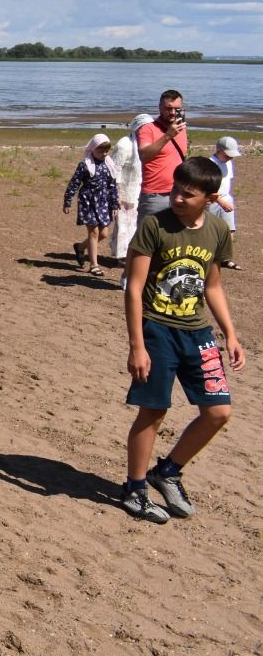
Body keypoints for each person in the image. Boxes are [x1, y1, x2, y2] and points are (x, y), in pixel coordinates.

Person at [120, 156, 244, 523]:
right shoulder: (154, 226)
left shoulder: (218, 230)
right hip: (157, 330)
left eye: (186, 194)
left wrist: (231, 333)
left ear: (209, 197)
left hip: (197, 332)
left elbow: (213, 285)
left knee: (219, 411)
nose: (176, 198)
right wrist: (137, 345)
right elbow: (134, 287)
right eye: (175, 189)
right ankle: (136, 488)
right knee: (154, 410)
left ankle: (168, 471)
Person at [64, 134, 117, 278]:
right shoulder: (85, 165)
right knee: (93, 232)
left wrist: (115, 205)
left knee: (104, 234)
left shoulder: (109, 165)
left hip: (103, 203)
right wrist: (67, 201)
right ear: (93, 149)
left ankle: (80, 247)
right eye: (101, 150)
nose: (104, 154)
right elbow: (74, 183)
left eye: (106, 151)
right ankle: (94, 265)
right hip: (88, 202)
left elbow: (112, 187)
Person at [106, 115, 153, 266]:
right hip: (124, 189)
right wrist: (116, 193)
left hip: (140, 188)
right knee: (124, 224)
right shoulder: (124, 144)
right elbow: (114, 169)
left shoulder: (148, 143)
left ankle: (124, 253)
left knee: (134, 224)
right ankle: (123, 256)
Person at [136, 89, 187, 220]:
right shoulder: (148, 129)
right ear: (159, 107)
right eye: (168, 108)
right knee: (148, 237)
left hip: (178, 193)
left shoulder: (181, 129)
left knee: (175, 237)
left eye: (177, 109)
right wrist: (168, 135)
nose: (172, 113)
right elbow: (144, 155)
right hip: (155, 195)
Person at [211, 137, 240, 244]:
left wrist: (228, 201)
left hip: (226, 199)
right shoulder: (211, 164)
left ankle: (226, 258)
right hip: (213, 202)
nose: (230, 158)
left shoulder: (228, 163)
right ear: (219, 150)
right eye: (227, 155)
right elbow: (209, 188)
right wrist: (221, 202)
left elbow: (226, 183)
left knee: (229, 230)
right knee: (213, 232)